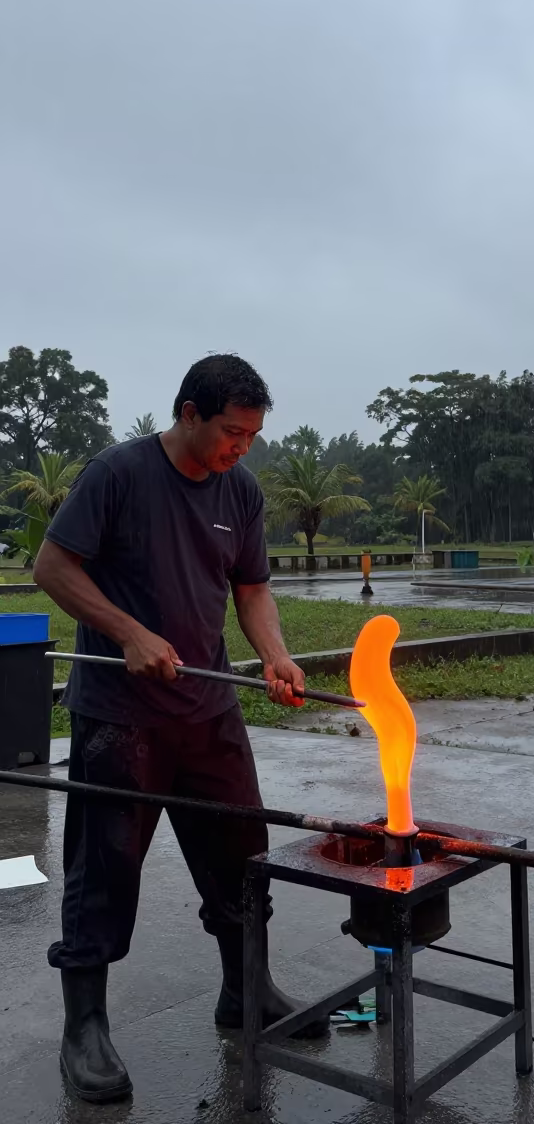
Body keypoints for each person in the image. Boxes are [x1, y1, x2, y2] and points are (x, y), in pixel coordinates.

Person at [34, 354, 327, 1105]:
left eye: (252, 436)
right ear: (189, 413)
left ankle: (247, 990)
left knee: (242, 857)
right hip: (120, 715)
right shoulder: (118, 474)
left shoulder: (243, 490)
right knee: (103, 872)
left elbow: (251, 588)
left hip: (210, 709)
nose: (241, 448)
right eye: (232, 432)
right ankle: (84, 1029)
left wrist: (276, 654)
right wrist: (128, 632)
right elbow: (53, 568)